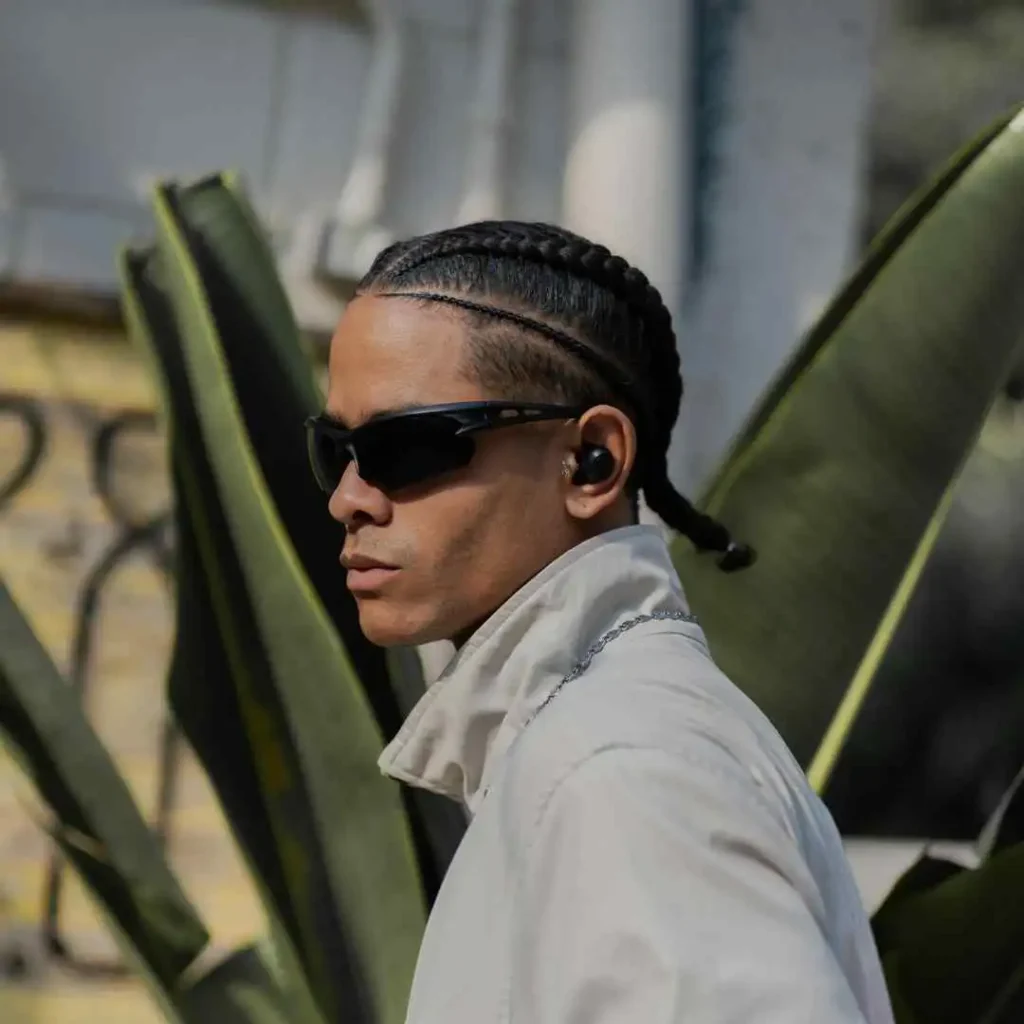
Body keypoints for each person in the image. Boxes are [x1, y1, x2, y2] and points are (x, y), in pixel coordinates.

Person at [306, 220, 895, 1023]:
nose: (349, 498)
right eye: (334, 449)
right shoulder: (579, 744)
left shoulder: (622, 768)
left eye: (404, 448)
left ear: (592, 462)